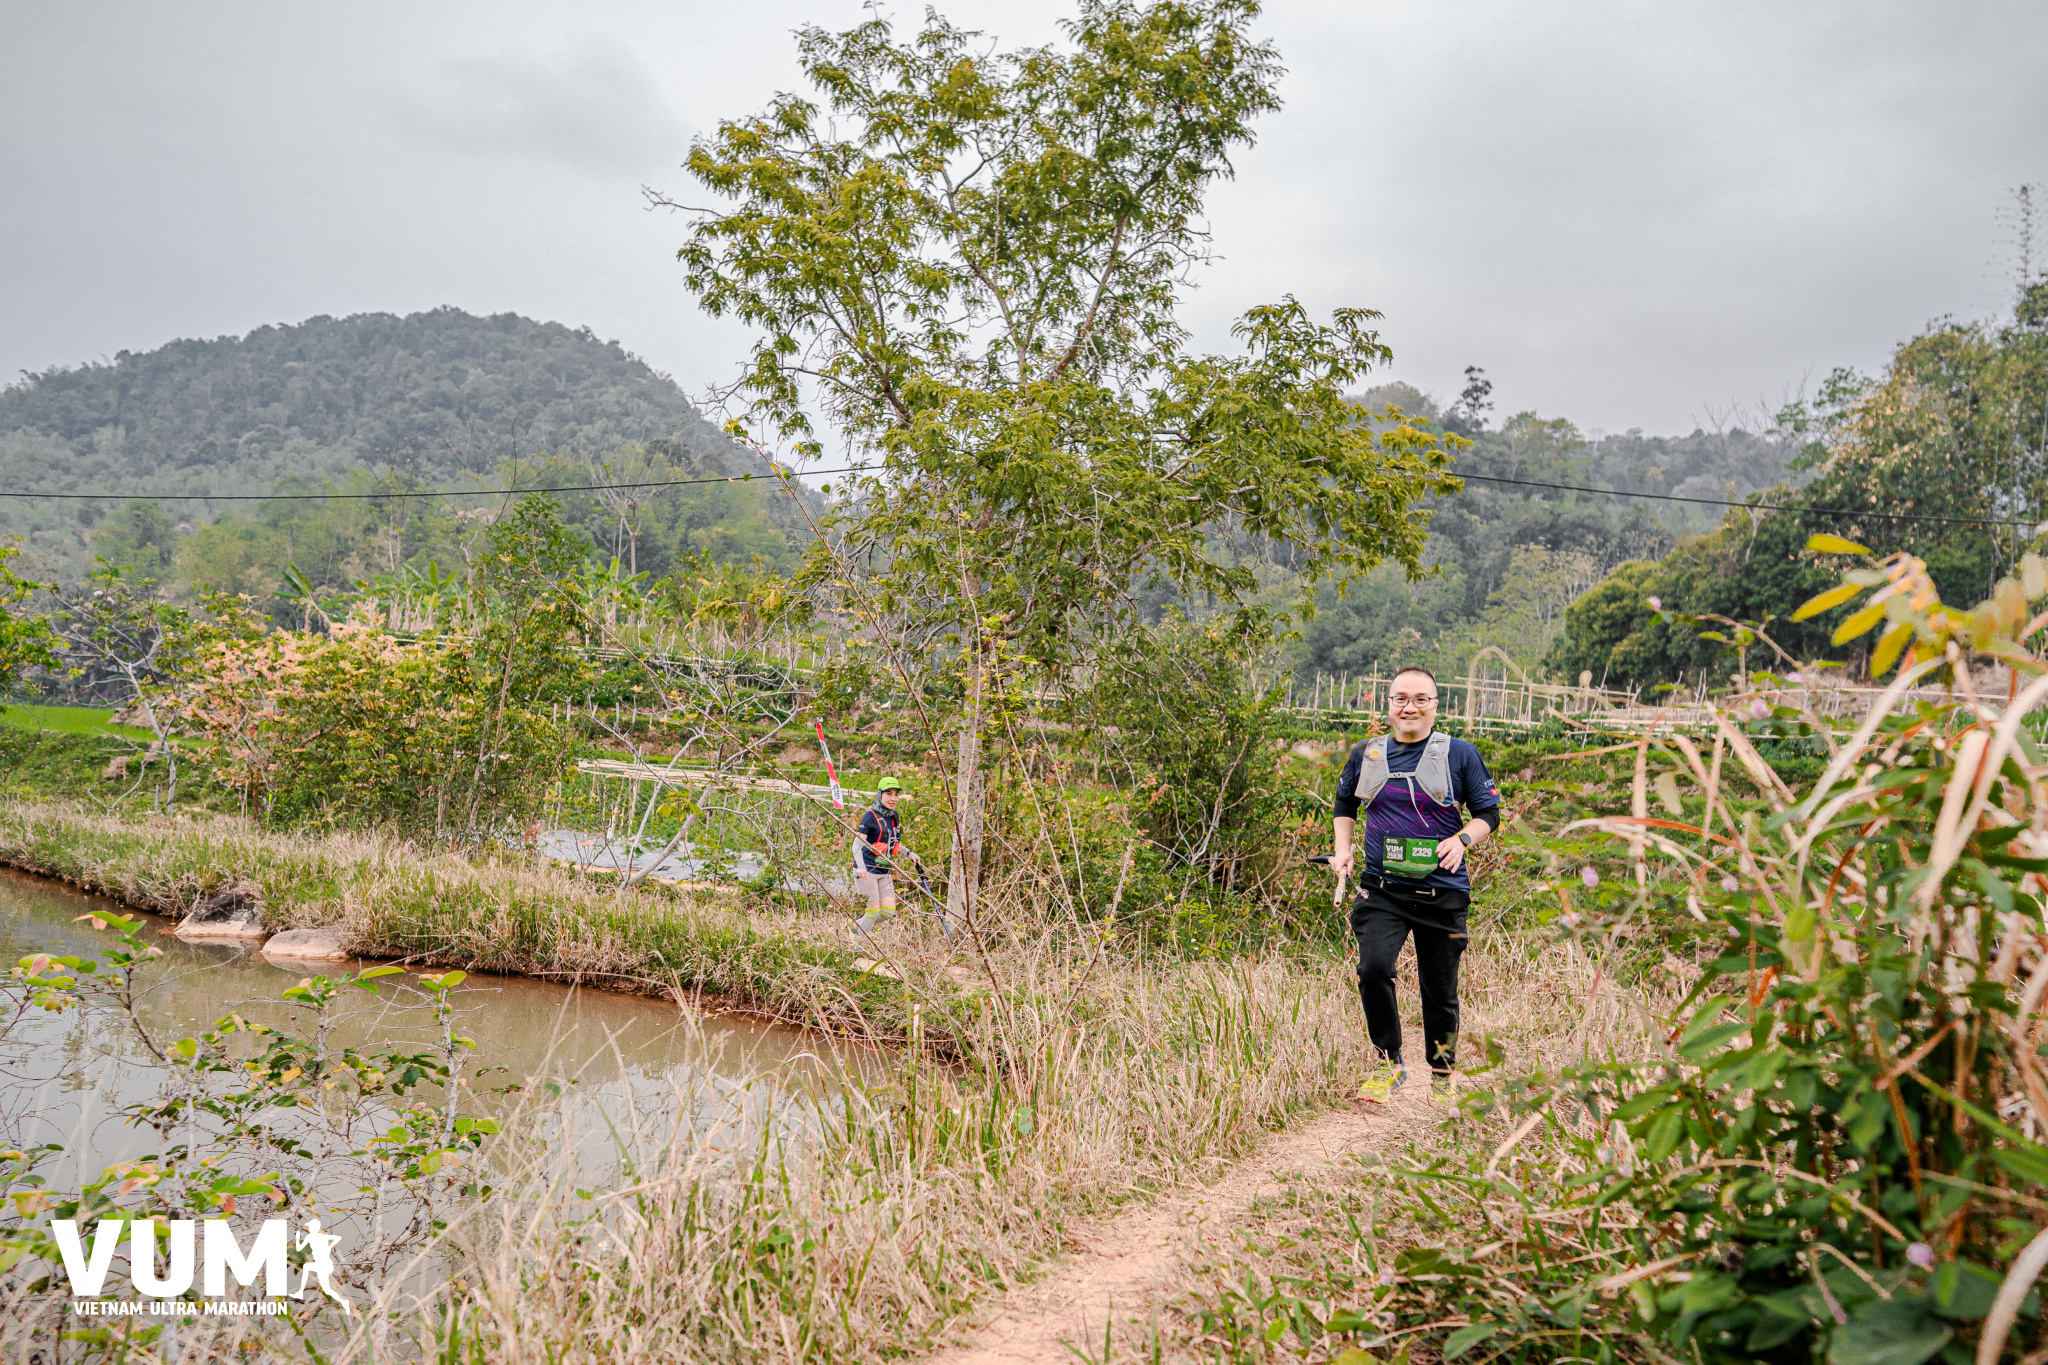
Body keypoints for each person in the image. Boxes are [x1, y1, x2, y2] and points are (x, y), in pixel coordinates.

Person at [1330, 666, 1501, 1101]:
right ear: (1388, 705)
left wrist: (1462, 840)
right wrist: (1343, 849)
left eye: (1420, 699)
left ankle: (1442, 1074)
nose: (1410, 707)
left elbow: (1488, 814)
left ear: (1435, 706)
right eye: (1401, 698)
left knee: (1439, 990)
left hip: (1442, 891)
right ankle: (1389, 1063)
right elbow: (1345, 803)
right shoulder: (1366, 753)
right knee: (1373, 969)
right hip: (1381, 889)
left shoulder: (1460, 754)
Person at [851, 777, 905, 942]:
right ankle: (857, 946)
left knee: (887, 912)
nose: (893, 798)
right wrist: (861, 868)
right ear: (880, 794)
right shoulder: (870, 816)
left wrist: (910, 853)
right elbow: (857, 845)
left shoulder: (893, 815)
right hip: (867, 869)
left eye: (896, 794)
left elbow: (891, 841)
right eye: (889, 794)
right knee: (873, 911)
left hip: (884, 870)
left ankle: (854, 926)